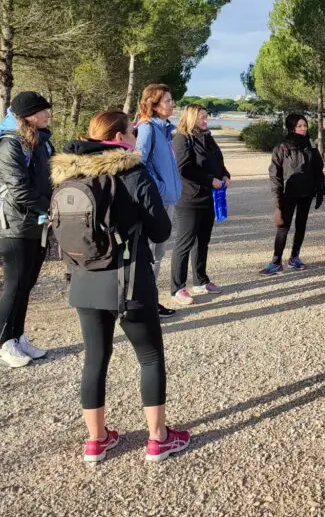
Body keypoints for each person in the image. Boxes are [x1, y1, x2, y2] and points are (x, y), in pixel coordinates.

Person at [52, 110, 190, 463]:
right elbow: (161, 230)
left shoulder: (70, 173)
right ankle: (158, 439)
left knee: (95, 358)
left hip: (83, 278)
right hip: (129, 281)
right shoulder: (131, 172)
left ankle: (96, 440)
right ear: (118, 137)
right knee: (149, 357)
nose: (134, 136)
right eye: (131, 131)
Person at [0, 91, 55, 368]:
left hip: (36, 224)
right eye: (42, 111)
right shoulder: (10, 146)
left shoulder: (40, 143)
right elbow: (18, 190)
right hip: (14, 227)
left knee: (26, 285)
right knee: (15, 285)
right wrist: (50, 209)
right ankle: (3, 342)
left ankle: (17, 337)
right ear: (27, 115)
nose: (48, 115)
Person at [168, 104, 232, 306]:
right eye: (202, 118)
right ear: (191, 118)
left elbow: (218, 162)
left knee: (203, 241)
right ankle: (177, 288)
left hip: (209, 198)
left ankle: (200, 281)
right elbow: (184, 169)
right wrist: (209, 180)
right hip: (189, 199)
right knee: (184, 243)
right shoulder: (181, 138)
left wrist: (225, 175)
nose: (206, 121)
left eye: (206, 117)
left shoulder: (207, 136)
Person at [135, 84, 181, 317]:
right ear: (153, 105)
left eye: (172, 100)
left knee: (158, 254)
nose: (172, 105)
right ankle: (146, 305)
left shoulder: (164, 130)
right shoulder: (147, 129)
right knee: (153, 254)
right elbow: (138, 163)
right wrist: (160, 188)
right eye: (167, 101)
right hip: (158, 201)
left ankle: (150, 301)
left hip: (167, 199)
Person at [262, 113, 325, 275]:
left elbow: (318, 170)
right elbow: (274, 175)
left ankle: (294, 257)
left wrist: (320, 191)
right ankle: (276, 261)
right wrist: (277, 204)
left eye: (305, 125)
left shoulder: (310, 146)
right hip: (287, 194)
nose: (303, 129)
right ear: (291, 127)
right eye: (299, 126)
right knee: (283, 227)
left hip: (306, 193)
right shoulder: (282, 147)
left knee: (301, 225)